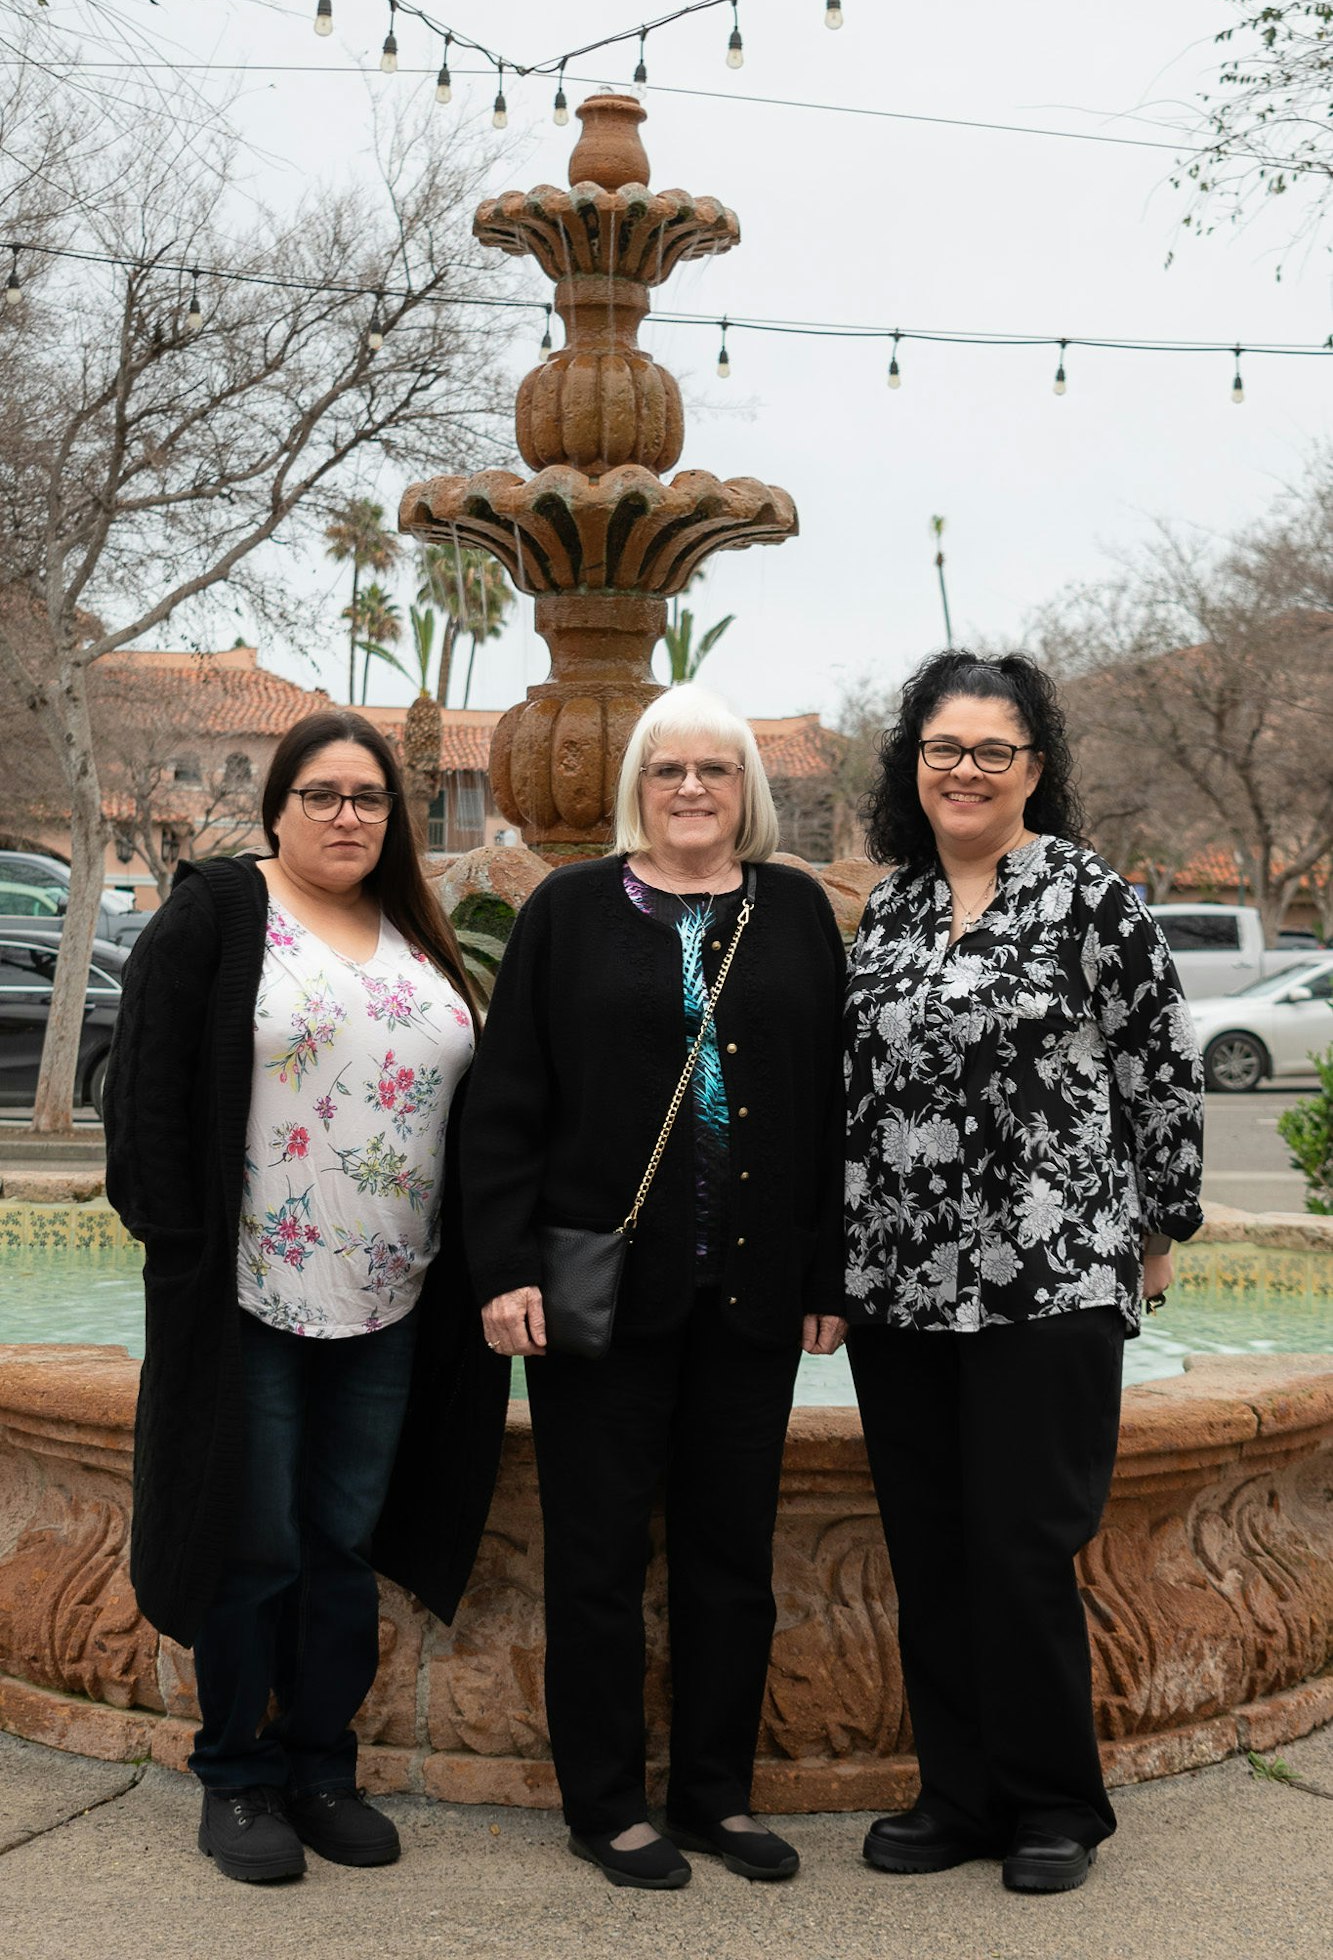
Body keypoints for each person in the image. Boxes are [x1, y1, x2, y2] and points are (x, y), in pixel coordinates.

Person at [105, 709, 507, 1885]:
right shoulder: (224, 911)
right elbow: (146, 1092)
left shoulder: (414, 931)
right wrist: (177, 1247)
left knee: (341, 1538)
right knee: (255, 1537)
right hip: (249, 1290)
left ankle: (322, 1764)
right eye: (324, 793)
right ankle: (236, 1774)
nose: (348, 815)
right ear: (278, 805)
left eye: (370, 797)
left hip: (393, 1293)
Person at [461, 683, 846, 1892]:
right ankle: (609, 1803)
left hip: (751, 1295)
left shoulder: (791, 910)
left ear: (748, 790)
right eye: (669, 769)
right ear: (637, 781)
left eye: (715, 771)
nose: (692, 789)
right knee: (596, 1552)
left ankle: (716, 1796)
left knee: (732, 1552)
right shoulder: (570, 910)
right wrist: (505, 1266)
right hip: (600, 1297)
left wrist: (827, 1268)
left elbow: (832, 1109)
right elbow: (505, 1101)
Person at [844, 649, 1204, 1895]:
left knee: (1018, 1541)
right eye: (943, 748)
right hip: (898, 1281)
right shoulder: (885, 911)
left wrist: (1162, 1225)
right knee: (930, 1545)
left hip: (1045, 1274)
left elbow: (1158, 1064)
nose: (965, 770)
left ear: (1033, 769)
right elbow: (856, 1094)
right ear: (915, 764)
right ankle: (958, 1794)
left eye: (993, 749)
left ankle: (1054, 1801)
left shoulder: (1086, 897)